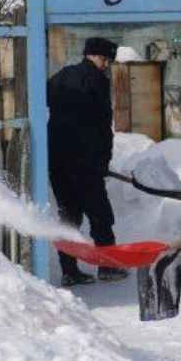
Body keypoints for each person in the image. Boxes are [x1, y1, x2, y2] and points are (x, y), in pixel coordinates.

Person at [48, 36, 124, 287]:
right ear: (96, 56)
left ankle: (69, 271)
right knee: (100, 214)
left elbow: (45, 100)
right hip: (86, 162)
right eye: (105, 60)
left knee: (69, 216)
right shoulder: (96, 81)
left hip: (59, 161)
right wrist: (103, 158)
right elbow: (102, 125)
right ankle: (108, 266)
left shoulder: (61, 77)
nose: (106, 65)